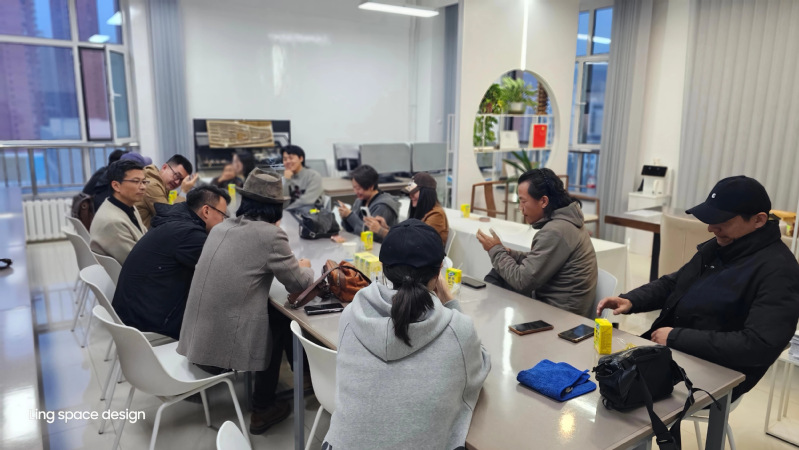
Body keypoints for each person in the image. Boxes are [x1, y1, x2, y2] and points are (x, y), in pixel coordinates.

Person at [597, 176, 799, 401]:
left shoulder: (779, 271)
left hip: (717, 374)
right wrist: (632, 300)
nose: (711, 228)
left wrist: (676, 337)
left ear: (758, 220)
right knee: (603, 373)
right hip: (675, 353)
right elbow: (676, 283)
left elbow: (758, 345)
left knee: (616, 397)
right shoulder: (722, 246)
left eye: (722, 221)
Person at [323, 219, 491, 449]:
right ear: (439, 271)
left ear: (384, 269)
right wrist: (451, 302)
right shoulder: (458, 330)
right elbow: (480, 365)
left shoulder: (351, 315)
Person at [177, 168, 315, 435]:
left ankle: (304, 375)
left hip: (196, 336)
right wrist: (306, 266)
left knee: (275, 313)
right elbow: (298, 284)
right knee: (281, 319)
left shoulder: (221, 227)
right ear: (277, 207)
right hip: (220, 346)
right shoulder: (270, 235)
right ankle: (263, 407)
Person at [112, 186, 230, 340]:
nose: (223, 222)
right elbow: (224, 269)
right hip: (147, 323)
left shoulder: (174, 221)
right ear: (206, 211)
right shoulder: (189, 234)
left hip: (133, 312)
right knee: (222, 317)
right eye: (223, 215)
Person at [477, 168, 597, 318]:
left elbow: (522, 281)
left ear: (544, 201)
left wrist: (495, 250)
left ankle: (481, 320)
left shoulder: (556, 231)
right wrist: (509, 253)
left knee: (500, 275)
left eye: (523, 201)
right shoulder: (567, 222)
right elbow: (539, 260)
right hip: (557, 307)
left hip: (559, 317)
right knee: (500, 272)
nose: (520, 208)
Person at [90, 160, 148, 265]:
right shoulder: (113, 222)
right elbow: (138, 262)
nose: (143, 187)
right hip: (132, 272)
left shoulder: (128, 205)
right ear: (116, 186)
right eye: (136, 181)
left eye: (144, 182)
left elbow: (145, 237)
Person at [365, 172, 449, 244]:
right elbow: (407, 236)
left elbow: (413, 242)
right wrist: (386, 228)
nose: (410, 196)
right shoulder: (422, 212)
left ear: (426, 193)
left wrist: (381, 231)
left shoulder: (436, 215)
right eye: (409, 193)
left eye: (414, 192)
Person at [337, 164, 400, 242]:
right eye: (354, 188)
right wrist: (345, 217)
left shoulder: (383, 206)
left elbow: (370, 235)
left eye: (358, 188)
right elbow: (351, 229)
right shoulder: (359, 201)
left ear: (371, 187)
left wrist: (350, 215)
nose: (356, 192)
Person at [136, 154, 198, 228]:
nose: (177, 182)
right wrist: (184, 191)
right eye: (177, 176)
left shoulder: (163, 186)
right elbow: (169, 217)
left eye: (181, 180)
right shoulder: (151, 184)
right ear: (164, 167)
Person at [281, 145, 323, 211]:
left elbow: (307, 201)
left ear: (301, 158)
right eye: (285, 159)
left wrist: (286, 210)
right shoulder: (286, 177)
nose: (288, 161)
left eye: (291, 158)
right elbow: (282, 201)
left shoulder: (313, 176)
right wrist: (286, 180)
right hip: (293, 212)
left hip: (313, 212)